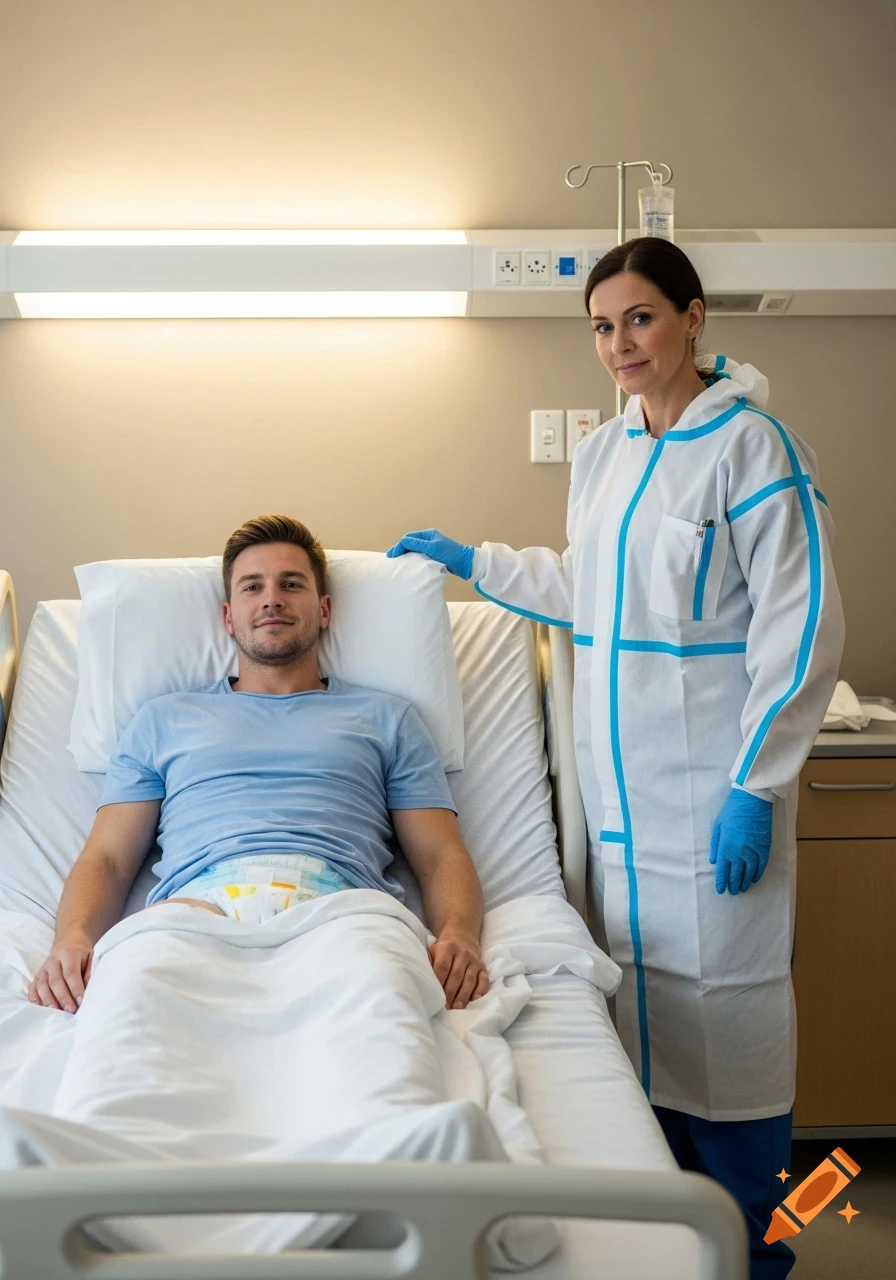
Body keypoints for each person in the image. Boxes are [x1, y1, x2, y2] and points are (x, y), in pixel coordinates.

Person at [387, 237, 844, 1279]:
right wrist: (473, 561)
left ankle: (764, 1253)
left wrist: (755, 784)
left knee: (732, 1040)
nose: (619, 343)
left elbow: (802, 625)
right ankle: (672, 1242)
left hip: (717, 801)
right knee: (643, 1042)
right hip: (621, 820)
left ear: (692, 317)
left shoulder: (754, 449)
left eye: (639, 318)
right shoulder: (605, 454)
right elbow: (584, 587)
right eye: (601, 326)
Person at [29, 514, 489, 1015]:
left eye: (291, 584)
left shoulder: (389, 718)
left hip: (342, 911)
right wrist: (73, 938)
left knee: (382, 1031)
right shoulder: (162, 719)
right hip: (195, 912)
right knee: (134, 1018)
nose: (272, 599)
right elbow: (109, 859)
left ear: (324, 610)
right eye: (253, 586)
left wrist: (459, 935)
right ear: (229, 617)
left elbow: (440, 855)